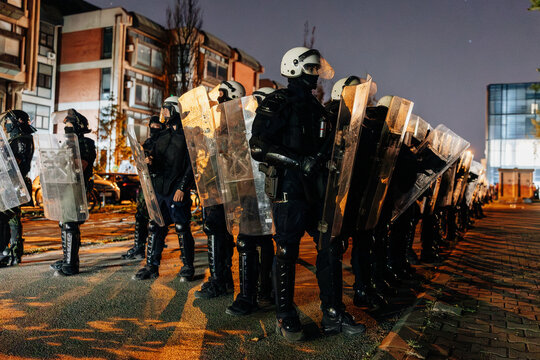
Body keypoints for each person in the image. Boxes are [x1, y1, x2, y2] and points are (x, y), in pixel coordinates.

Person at [250, 47, 365, 341]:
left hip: (318, 190)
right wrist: (299, 161)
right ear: (294, 68)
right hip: (289, 188)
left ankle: (333, 312)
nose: (315, 75)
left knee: (330, 247)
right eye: (311, 69)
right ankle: (285, 314)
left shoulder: (317, 108)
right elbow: (258, 146)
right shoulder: (278, 102)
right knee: (287, 250)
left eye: (317, 70)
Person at [225, 86, 276, 316]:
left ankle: (254, 295)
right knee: (251, 242)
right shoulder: (244, 128)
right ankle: (256, 294)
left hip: (266, 193)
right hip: (248, 193)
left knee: (261, 243)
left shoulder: (272, 127)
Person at [134, 97, 195, 281]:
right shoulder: (161, 136)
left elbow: (192, 165)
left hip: (176, 190)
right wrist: (149, 163)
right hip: (160, 189)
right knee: (155, 226)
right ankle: (151, 266)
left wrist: (183, 187)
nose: (163, 114)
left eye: (167, 109)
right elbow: (155, 161)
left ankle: (187, 266)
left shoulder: (189, 136)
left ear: (176, 109)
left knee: (181, 227)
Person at [194, 80, 245, 299]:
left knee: (220, 229)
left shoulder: (240, 123)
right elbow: (212, 157)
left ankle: (221, 280)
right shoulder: (220, 125)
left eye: (223, 98)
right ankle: (221, 279)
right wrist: (203, 181)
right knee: (215, 229)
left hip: (232, 186)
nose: (219, 103)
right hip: (216, 185)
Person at [50, 109, 96, 276]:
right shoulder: (67, 143)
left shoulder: (85, 143)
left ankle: (71, 265)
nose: (66, 127)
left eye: (69, 124)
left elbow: (80, 166)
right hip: (64, 186)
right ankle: (67, 259)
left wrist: (67, 155)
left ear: (77, 126)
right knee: (64, 223)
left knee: (70, 223)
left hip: (76, 186)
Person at [121, 116, 164, 260]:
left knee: (156, 220)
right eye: (152, 125)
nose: (154, 128)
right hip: (146, 184)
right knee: (141, 216)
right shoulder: (147, 142)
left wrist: (153, 162)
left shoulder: (165, 141)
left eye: (157, 126)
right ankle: (139, 247)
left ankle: (153, 252)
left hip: (159, 185)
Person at [0, 110, 36, 266]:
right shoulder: (17, 139)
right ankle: (14, 253)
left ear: (17, 122)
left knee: (2, 218)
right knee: (13, 219)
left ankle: (3, 252)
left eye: (8, 121)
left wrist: (3, 151)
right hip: (12, 185)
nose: (6, 124)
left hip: (12, 184)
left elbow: (16, 163)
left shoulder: (21, 140)